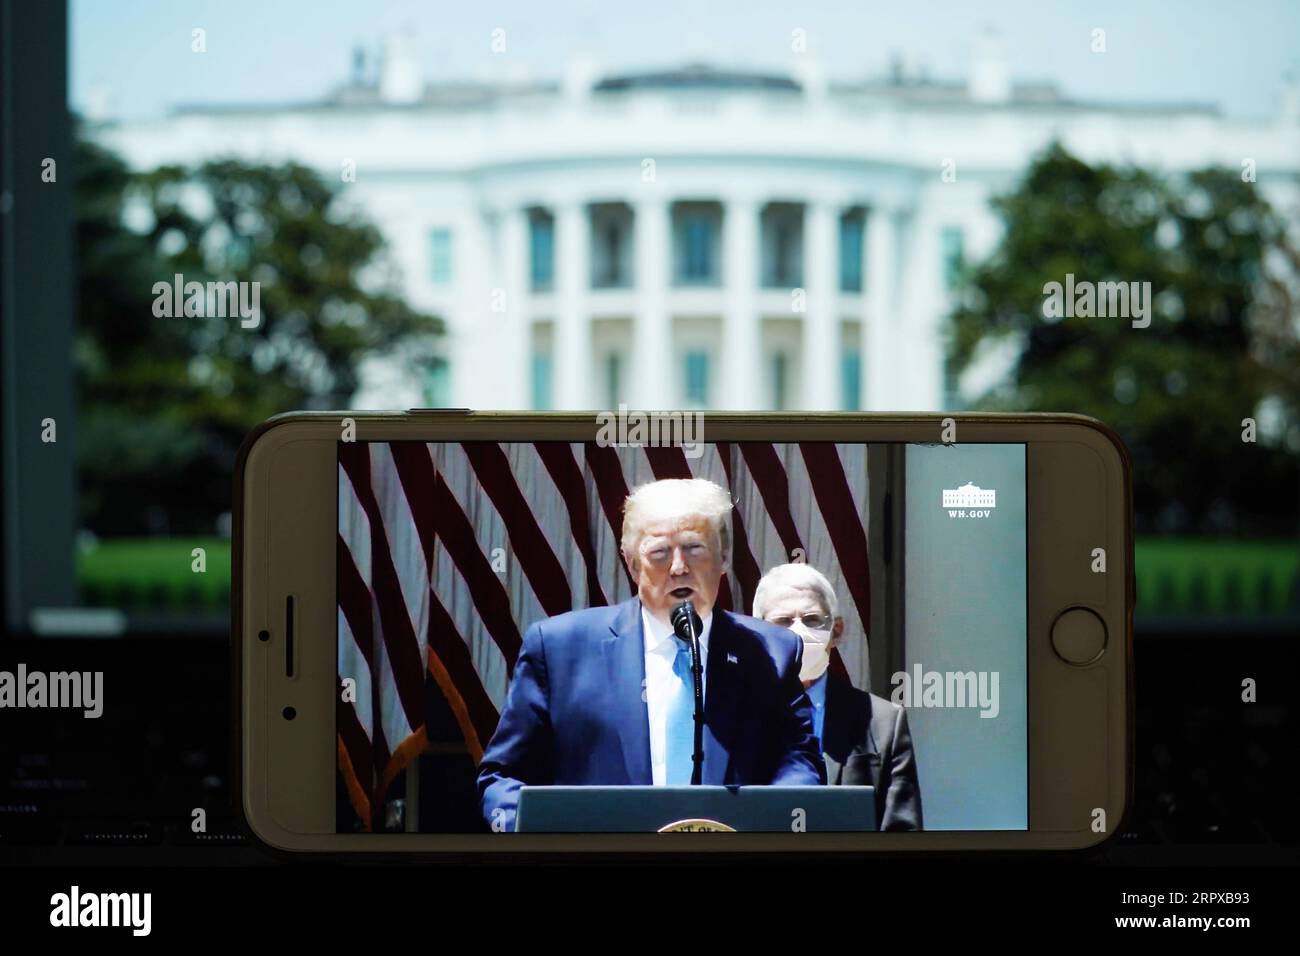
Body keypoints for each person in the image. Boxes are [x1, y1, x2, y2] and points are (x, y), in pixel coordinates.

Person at [476, 478, 825, 832]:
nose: (678, 567)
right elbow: (504, 776)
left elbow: (799, 763)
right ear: (631, 564)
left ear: (723, 558)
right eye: (659, 552)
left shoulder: (770, 652)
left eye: (694, 548)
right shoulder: (558, 649)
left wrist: (768, 826)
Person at [753, 562, 923, 831]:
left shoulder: (883, 723)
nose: (798, 633)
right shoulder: (732, 715)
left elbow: (902, 835)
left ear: (837, 631)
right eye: (783, 621)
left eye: (811, 620)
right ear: (758, 633)